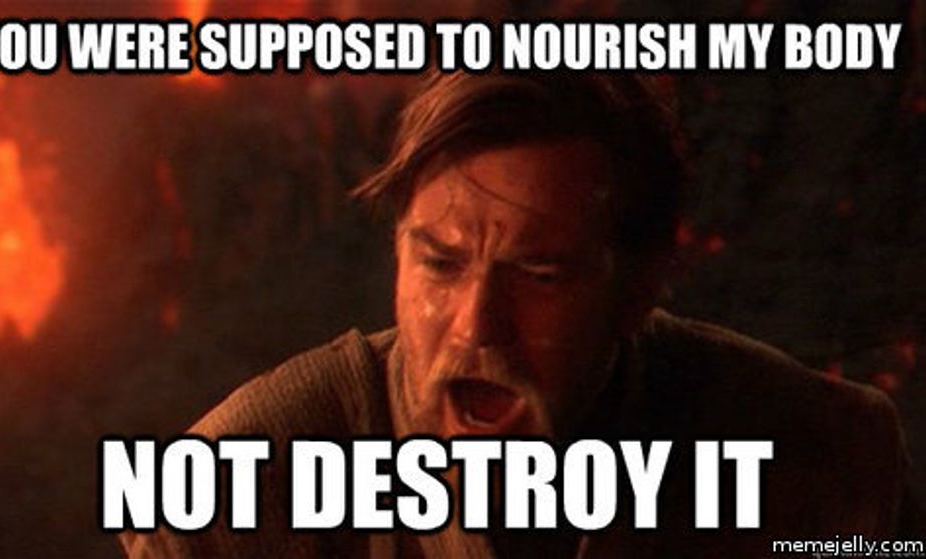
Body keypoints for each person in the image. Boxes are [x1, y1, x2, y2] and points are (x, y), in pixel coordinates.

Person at [120, 71, 916, 557]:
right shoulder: (231, 496)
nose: (476, 326)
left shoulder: (821, 459)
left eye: (540, 275)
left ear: (638, 287)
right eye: (440, 263)